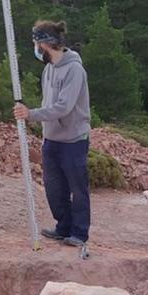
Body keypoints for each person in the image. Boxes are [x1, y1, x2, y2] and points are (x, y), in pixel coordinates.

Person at [14, 21, 92, 248]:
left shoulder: (74, 70)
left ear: (46, 44)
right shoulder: (48, 69)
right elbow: (49, 103)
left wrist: (31, 114)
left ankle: (79, 233)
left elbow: (63, 107)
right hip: (51, 139)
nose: (35, 48)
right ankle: (63, 227)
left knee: (77, 188)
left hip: (73, 140)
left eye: (36, 43)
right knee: (54, 187)